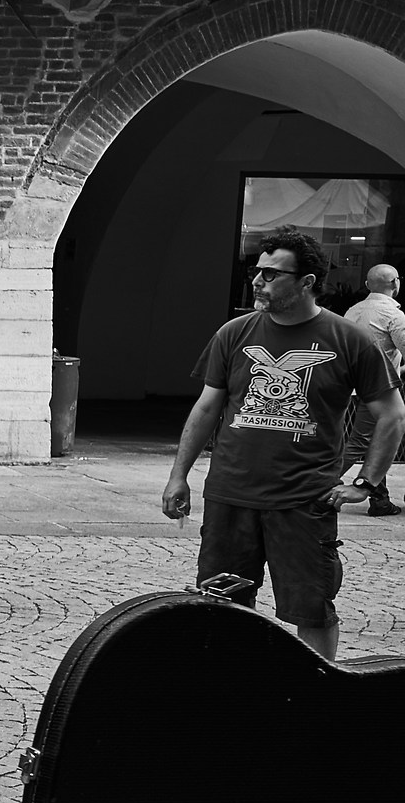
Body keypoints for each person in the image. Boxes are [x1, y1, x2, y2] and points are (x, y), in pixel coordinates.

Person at [163, 226, 402, 660]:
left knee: (311, 609)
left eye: (272, 275)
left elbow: (392, 414)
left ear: (307, 282)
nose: (258, 281)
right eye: (258, 272)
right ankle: (233, 697)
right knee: (223, 606)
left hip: (303, 501)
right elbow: (206, 409)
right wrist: (179, 476)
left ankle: (316, 702)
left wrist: (366, 484)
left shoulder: (350, 339)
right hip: (230, 496)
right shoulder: (234, 333)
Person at [340, 262, 405, 515]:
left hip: (352, 386)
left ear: (367, 285)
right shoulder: (394, 315)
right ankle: (316, 486)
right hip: (379, 389)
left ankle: (380, 500)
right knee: (361, 441)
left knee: (379, 439)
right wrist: (398, 372)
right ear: (395, 283)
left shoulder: (352, 311)